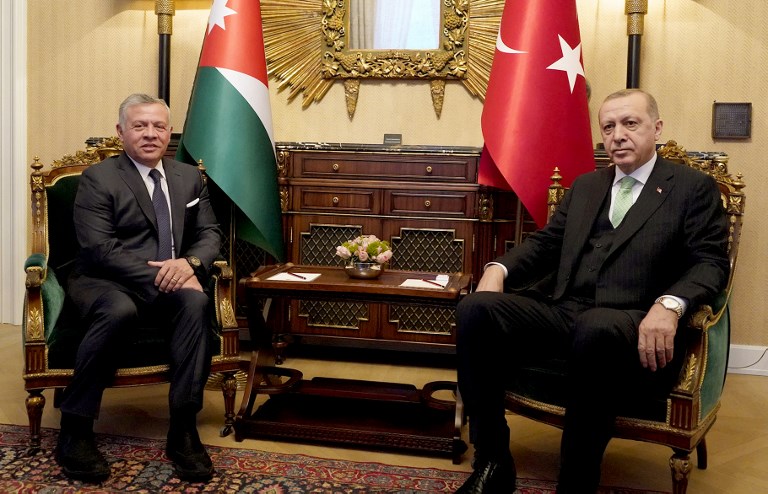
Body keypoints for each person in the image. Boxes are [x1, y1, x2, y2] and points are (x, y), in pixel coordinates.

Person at [455, 89, 730, 493]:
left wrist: (670, 304)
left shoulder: (692, 188)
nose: (618, 135)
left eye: (630, 123)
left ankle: (576, 483)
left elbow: (711, 263)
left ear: (656, 128)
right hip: (566, 310)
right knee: (475, 309)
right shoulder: (586, 186)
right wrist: (498, 268)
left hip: (632, 320)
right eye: (608, 127)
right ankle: (493, 462)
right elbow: (546, 243)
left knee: (597, 325)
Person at [55, 93, 223, 483]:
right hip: (105, 279)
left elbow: (209, 233)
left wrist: (190, 265)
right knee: (120, 310)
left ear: (169, 132)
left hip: (171, 276)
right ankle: (75, 429)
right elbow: (99, 248)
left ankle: (183, 429)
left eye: (158, 126)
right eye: (140, 126)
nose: (150, 134)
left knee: (195, 304)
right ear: (121, 131)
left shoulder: (188, 176)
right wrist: (167, 276)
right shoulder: (100, 178)